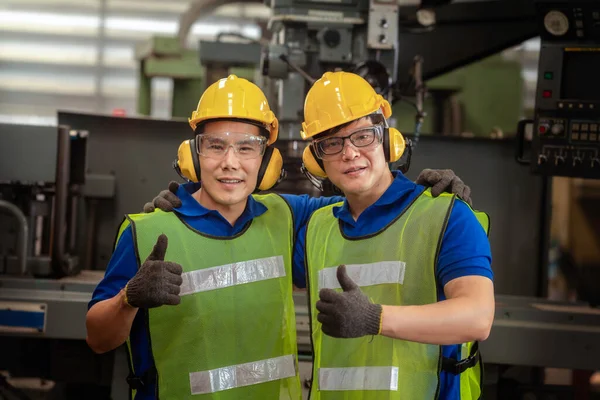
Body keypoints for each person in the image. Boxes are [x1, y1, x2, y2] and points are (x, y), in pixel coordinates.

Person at [87, 74, 472, 400]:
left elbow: (369, 207)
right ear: (191, 155)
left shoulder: (290, 217)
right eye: (215, 146)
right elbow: (98, 339)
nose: (230, 162)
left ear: (268, 162)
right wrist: (127, 299)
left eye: (247, 148)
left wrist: (419, 198)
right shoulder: (148, 230)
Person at [297, 71, 494, 399]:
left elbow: (478, 317)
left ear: (388, 140)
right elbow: (242, 212)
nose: (349, 153)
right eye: (331, 143)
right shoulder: (317, 227)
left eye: (363, 136)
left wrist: (375, 318)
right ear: (316, 160)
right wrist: (183, 201)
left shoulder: (446, 216)